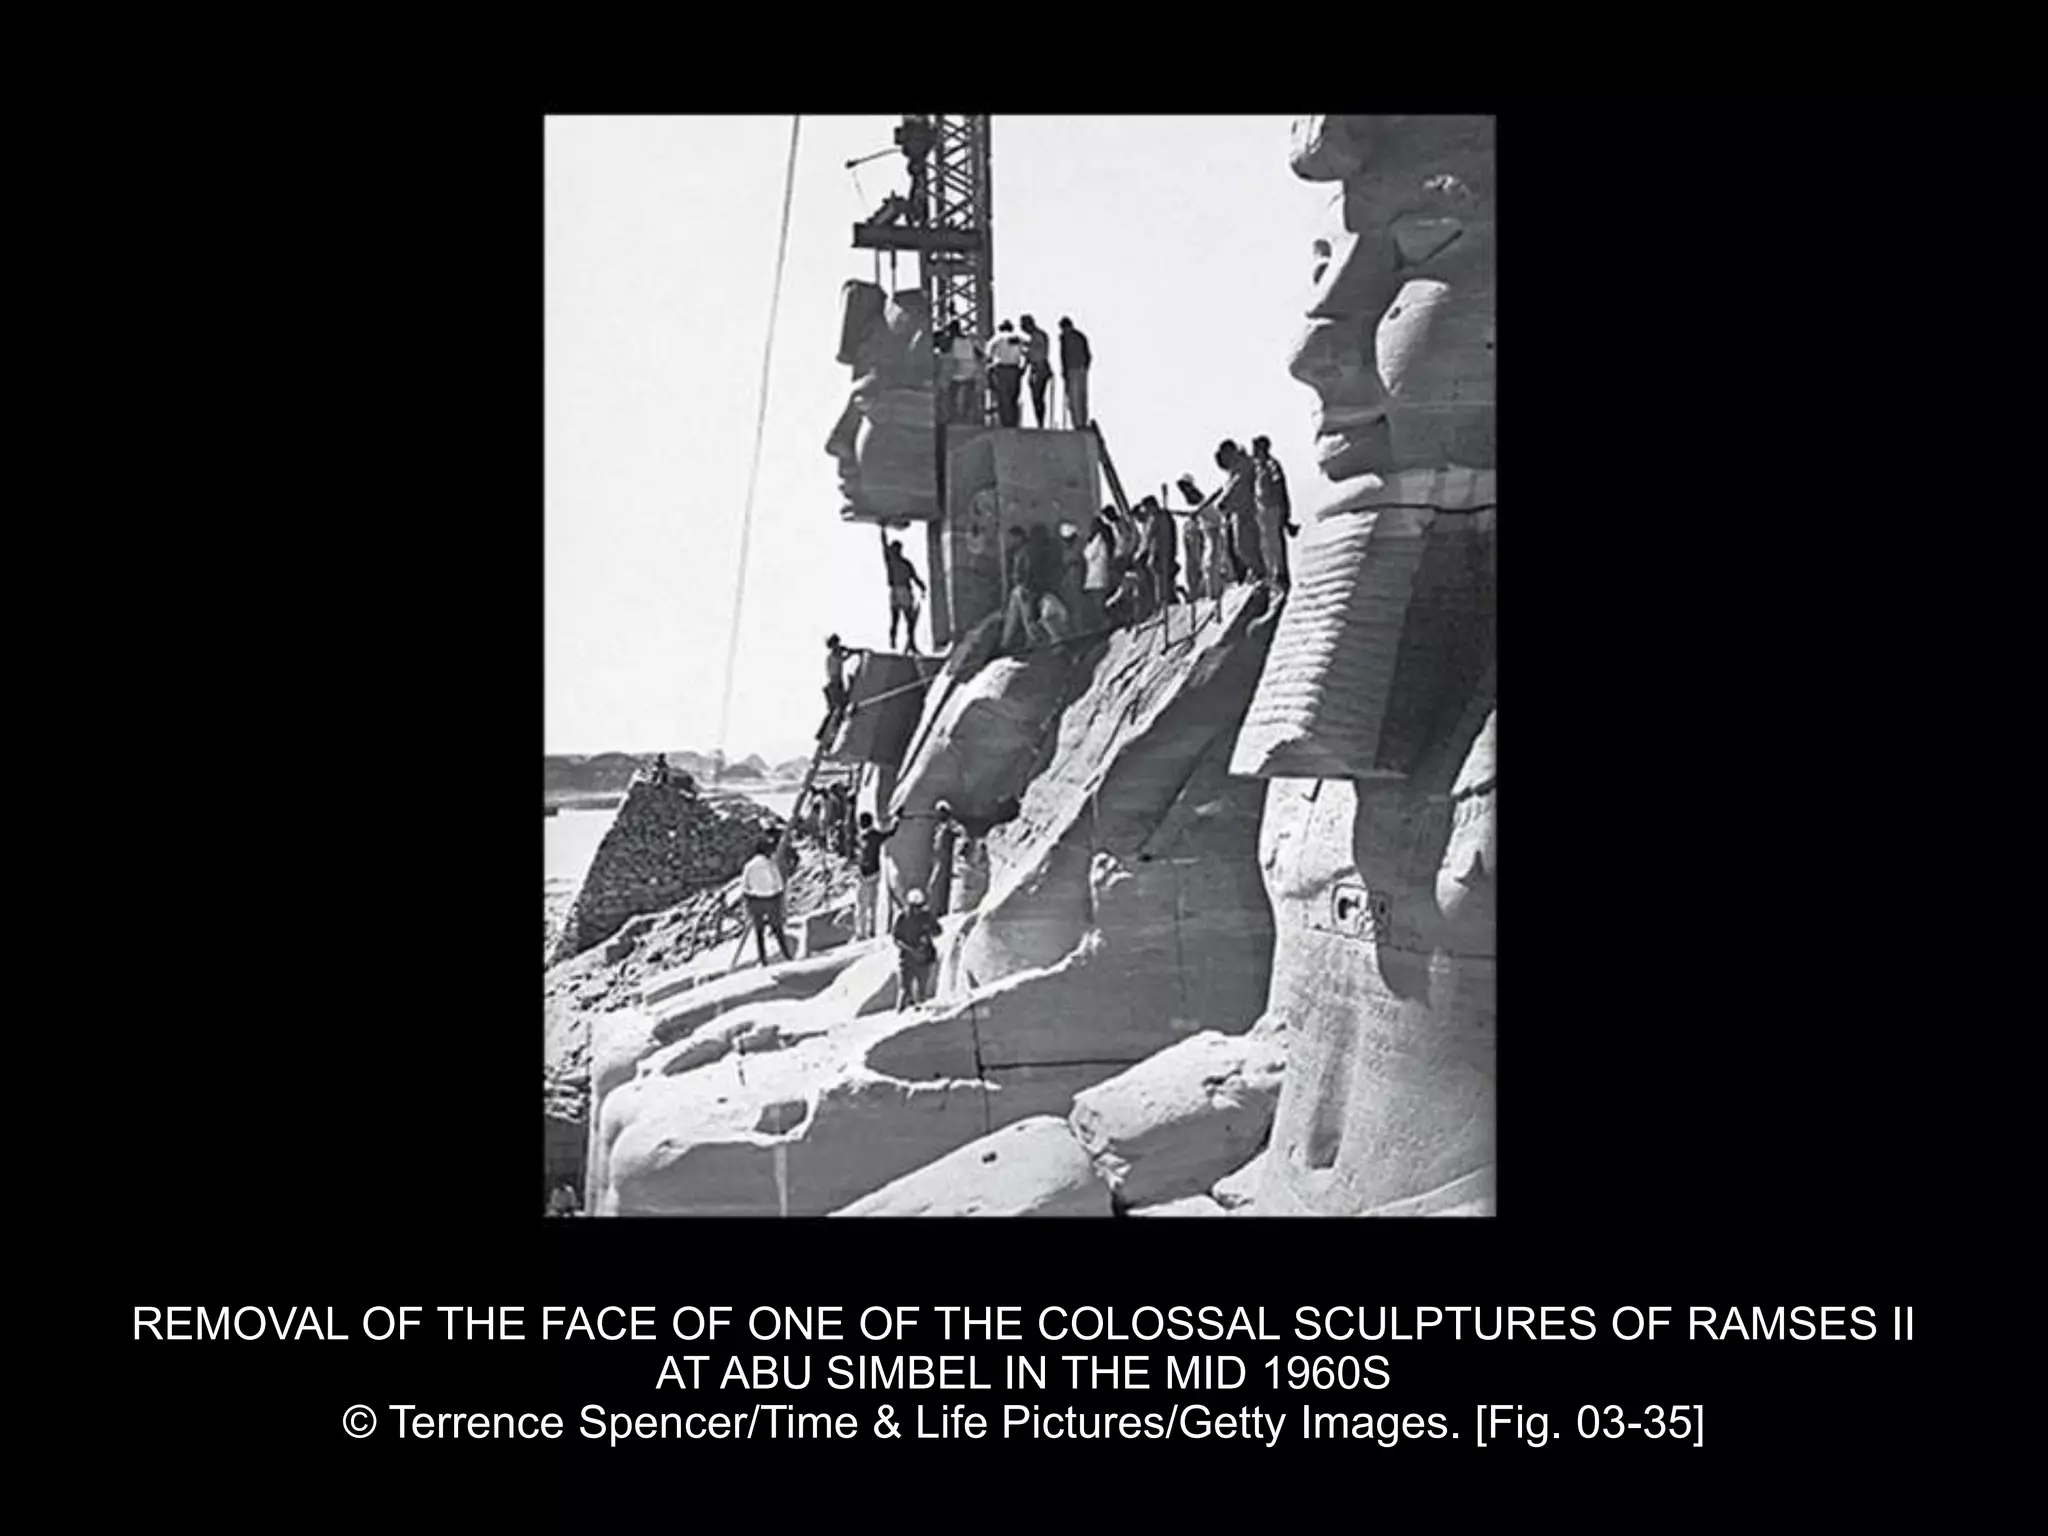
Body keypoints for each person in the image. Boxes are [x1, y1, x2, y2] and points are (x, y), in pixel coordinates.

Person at [1213, 440, 1265, 584]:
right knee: (1239, 548)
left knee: (1248, 546)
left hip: (1248, 512)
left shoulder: (1245, 465)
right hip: (1238, 514)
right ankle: (1255, 573)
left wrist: (1225, 501)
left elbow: (1237, 487)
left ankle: (1261, 574)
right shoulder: (1235, 469)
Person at [1250, 435, 1296, 588]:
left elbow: (1279, 488)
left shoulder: (1272, 465)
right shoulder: (1258, 468)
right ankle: (1271, 576)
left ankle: (1280, 575)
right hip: (1262, 511)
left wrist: (1285, 513)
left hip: (1273, 509)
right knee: (1266, 545)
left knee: (1275, 544)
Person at [741, 836, 794, 966]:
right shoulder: (770, 864)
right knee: (777, 928)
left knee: (759, 932)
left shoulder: (749, 865)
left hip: (755, 900)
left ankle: (763, 959)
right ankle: (786, 954)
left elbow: (744, 885)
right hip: (771, 898)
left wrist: (748, 901)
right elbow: (778, 882)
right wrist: (780, 897)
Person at [891, 887, 943, 1008]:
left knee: (922, 991)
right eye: (915, 907)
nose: (917, 910)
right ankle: (900, 1015)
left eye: (920, 906)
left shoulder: (926, 916)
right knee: (905, 990)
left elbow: (938, 931)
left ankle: (920, 1015)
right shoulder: (902, 918)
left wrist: (928, 933)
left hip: (925, 958)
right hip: (907, 959)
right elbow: (896, 938)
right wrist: (910, 949)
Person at [853, 810, 897, 940]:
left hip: (866, 874)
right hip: (873, 872)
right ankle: (870, 930)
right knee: (871, 903)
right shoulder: (873, 835)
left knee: (862, 905)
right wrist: (897, 820)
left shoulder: (868, 836)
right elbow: (890, 833)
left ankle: (861, 933)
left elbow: (890, 833)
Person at [1000, 525, 1040, 651]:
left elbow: (1029, 569)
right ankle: (1006, 642)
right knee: (1013, 614)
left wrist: (1025, 586)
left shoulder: (1026, 550)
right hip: (1018, 587)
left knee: (1027, 616)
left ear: (1019, 537)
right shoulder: (1019, 551)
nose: (1011, 540)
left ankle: (1033, 641)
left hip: (1024, 587)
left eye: (1013, 538)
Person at [882, 538, 926, 652]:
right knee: (895, 618)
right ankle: (894, 640)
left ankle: (911, 642)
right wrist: (883, 530)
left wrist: (921, 586)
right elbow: (884, 546)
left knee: (909, 619)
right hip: (897, 590)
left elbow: (914, 576)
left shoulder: (905, 563)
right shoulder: (891, 561)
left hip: (904, 590)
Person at [1144, 495, 1180, 613]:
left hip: (1163, 553)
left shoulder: (1161, 517)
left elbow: (1165, 536)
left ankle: (1165, 603)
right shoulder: (1157, 518)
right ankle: (1163, 603)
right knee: (1161, 581)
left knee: (1163, 580)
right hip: (1159, 554)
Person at [987, 321, 1026, 427]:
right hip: (1015, 369)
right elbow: (1026, 354)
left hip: (1002, 369)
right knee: (1013, 397)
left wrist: (990, 369)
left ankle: (1005, 422)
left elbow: (988, 355)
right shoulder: (1018, 338)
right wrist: (1023, 368)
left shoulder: (997, 338)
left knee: (1003, 397)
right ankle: (1013, 421)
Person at [1082, 512, 1115, 631]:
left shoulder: (1099, 539)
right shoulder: (1100, 539)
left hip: (1097, 575)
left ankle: (1106, 625)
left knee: (1099, 604)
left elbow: (1089, 554)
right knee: (1098, 603)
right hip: (1096, 575)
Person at [1020, 315, 1054, 427]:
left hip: (1039, 368)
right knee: (1037, 397)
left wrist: (1023, 349)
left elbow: (1034, 353)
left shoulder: (1038, 335)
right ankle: (1040, 421)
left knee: (1037, 396)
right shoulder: (1038, 336)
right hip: (1037, 368)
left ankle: (1040, 421)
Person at [820, 634, 856, 740]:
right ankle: (827, 734)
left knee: (838, 708)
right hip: (834, 684)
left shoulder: (835, 654)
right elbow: (842, 659)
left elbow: (844, 655)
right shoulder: (833, 656)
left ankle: (827, 734)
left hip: (836, 683)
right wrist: (850, 653)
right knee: (838, 708)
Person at [1057, 317, 1091, 427]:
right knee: (1082, 396)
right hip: (1081, 369)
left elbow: (1064, 356)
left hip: (1072, 369)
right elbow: (1088, 354)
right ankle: (1083, 421)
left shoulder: (1065, 338)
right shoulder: (1081, 336)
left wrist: (1064, 371)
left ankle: (1078, 423)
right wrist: (1085, 367)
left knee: (1074, 397)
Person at [945, 323, 983, 423]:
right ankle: (967, 417)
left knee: (952, 395)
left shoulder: (951, 340)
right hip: (970, 369)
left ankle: (954, 417)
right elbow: (980, 354)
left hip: (957, 370)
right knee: (968, 396)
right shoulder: (970, 340)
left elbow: (944, 352)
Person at [929, 800, 961, 916]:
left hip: (945, 861)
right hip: (938, 859)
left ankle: (940, 911)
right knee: (935, 885)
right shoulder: (939, 826)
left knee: (940, 885)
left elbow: (959, 832)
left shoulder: (950, 825)